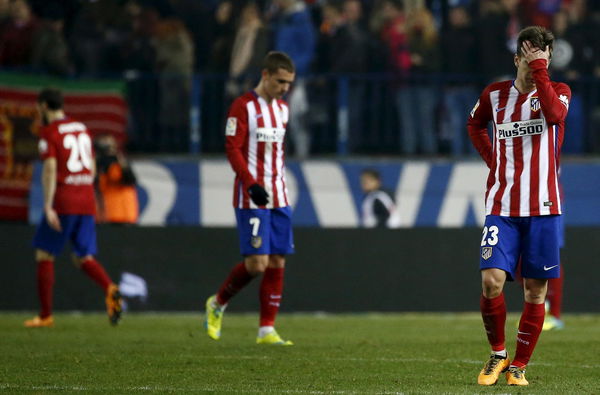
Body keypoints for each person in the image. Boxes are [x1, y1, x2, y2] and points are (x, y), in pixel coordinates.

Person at [468, 26, 571, 386]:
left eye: (541, 61)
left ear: (547, 61)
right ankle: (498, 354)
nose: (533, 68)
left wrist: (541, 70)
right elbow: (474, 124)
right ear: (516, 59)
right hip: (502, 205)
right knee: (491, 282)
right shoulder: (494, 95)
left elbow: (555, 118)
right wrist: (492, 159)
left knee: (535, 291)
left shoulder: (558, 92)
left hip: (543, 207)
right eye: (528, 61)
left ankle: (519, 365)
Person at [204, 51, 296, 345]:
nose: (285, 88)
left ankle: (266, 329)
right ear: (265, 75)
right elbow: (232, 148)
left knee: (278, 259)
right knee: (257, 264)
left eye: (289, 83)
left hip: (279, 194)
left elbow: (277, 152)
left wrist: (276, 183)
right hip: (251, 197)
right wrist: (250, 183)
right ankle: (217, 303)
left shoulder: (283, 110)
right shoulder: (242, 106)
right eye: (280, 81)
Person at [25, 88, 123, 328]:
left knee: (44, 254)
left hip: (64, 200)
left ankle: (46, 315)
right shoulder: (81, 128)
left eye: (39, 107)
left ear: (45, 106)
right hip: (86, 199)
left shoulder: (49, 132)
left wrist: (48, 206)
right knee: (83, 256)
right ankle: (110, 288)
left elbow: (49, 169)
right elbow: (90, 167)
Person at [95, 134, 138, 225]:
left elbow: (130, 180)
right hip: (109, 215)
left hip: (122, 214)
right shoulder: (101, 166)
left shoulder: (119, 165)